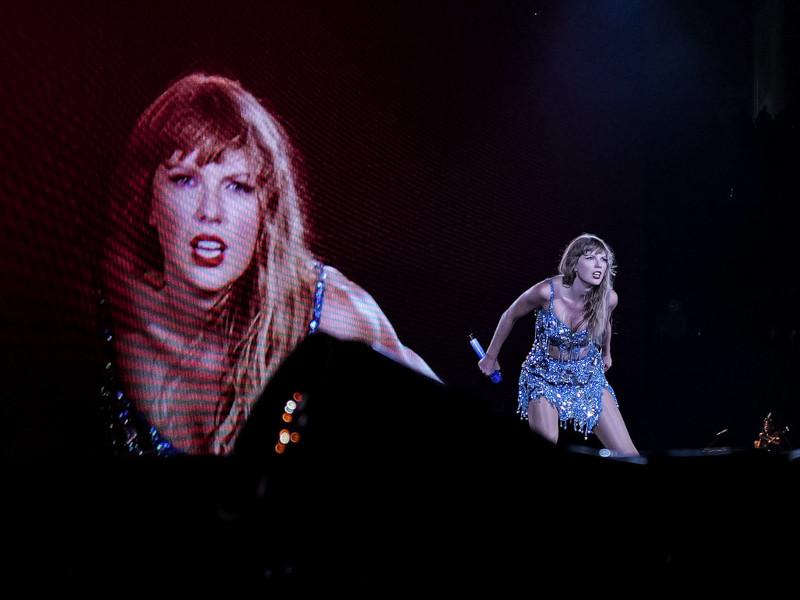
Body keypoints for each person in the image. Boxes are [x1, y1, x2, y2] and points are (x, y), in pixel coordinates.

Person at [101, 72, 438, 456]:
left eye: (237, 186)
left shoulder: (332, 311)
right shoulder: (108, 317)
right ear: (149, 202)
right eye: (185, 180)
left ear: (266, 210)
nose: (210, 212)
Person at [478, 234, 638, 455]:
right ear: (574, 262)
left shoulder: (608, 298)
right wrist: (491, 356)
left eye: (603, 260)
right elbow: (510, 315)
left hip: (587, 375)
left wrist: (606, 353)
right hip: (544, 376)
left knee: (629, 454)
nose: (599, 265)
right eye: (591, 258)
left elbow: (606, 321)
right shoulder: (546, 292)